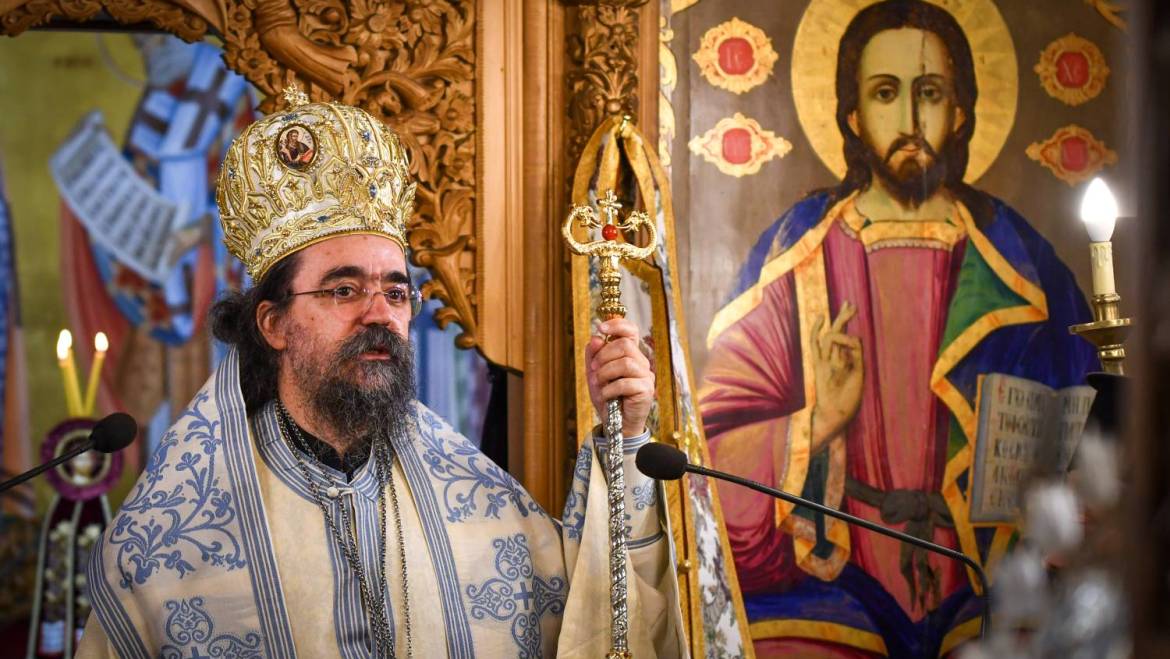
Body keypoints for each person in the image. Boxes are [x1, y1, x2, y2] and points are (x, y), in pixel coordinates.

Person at [76, 90, 684, 657]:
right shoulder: (171, 538)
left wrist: (626, 436)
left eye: (396, 293)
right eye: (344, 290)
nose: (380, 315)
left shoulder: (477, 501)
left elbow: (597, 621)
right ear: (273, 324)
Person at [699, 1, 1095, 656]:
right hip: (832, 580)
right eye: (885, 94)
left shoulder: (1021, 263)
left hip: (989, 582)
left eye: (929, 93)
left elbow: (1094, 424)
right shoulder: (795, 260)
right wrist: (817, 420)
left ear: (960, 111)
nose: (910, 121)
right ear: (853, 116)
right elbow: (709, 453)